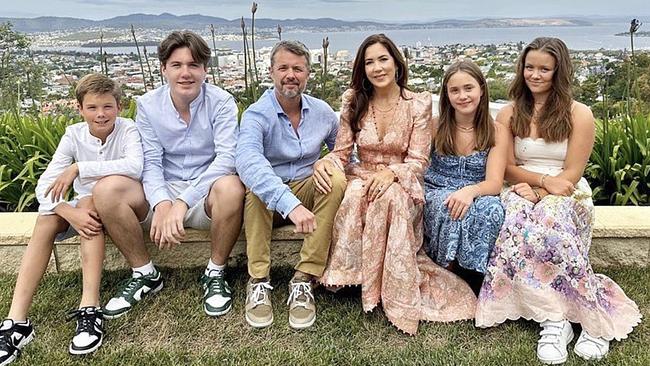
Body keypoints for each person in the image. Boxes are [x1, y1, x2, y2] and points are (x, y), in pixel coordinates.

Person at [475, 37, 642, 364]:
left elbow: (573, 171)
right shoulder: (509, 114)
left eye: (544, 69)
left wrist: (544, 190)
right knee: (515, 223)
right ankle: (555, 318)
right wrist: (536, 184)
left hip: (566, 188)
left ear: (558, 72)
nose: (535, 75)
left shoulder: (579, 114)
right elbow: (506, 167)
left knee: (551, 228)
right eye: (530, 67)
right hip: (523, 184)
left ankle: (592, 317)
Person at [317, 34, 476, 335]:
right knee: (354, 194)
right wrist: (325, 163)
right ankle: (352, 277)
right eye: (369, 62)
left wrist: (391, 174)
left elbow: (419, 160)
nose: (377, 68)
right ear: (362, 69)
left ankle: (385, 285)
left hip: (402, 180)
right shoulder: (354, 100)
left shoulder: (418, 103)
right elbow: (340, 153)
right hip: (361, 174)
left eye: (382, 59)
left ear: (396, 63)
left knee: (389, 196)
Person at [92, 31, 244, 320]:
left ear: (204, 70)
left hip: (205, 194)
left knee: (232, 186)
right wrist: (162, 203)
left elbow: (226, 158)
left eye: (193, 65)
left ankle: (215, 272)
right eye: (176, 65)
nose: (185, 73)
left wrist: (182, 202)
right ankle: (144, 273)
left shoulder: (222, 101)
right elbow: (149, 162)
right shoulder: (149, 105)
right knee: (106, 190)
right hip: (159, 190)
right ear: (163, 69)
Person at [0, 74, 142, 363]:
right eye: (92, 108)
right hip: (81, 206)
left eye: (107, 106)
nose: (100, 114)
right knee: (47, 220)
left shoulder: (128, 130)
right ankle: (16, 321)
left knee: (89, 203)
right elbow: (44, 185)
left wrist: (79, 168)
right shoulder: (73, 134)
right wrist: (65, 210)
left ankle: (90, 307)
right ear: (79, 108)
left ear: (120, 107)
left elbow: (134, 166)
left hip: (119, 200)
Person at [236, 40, 345, 330]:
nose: (290, 75)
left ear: (308, 73)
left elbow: (345, 152)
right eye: (283, 68)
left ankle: (304, 278)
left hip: (307, 190)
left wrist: (329, 159)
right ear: (271, 72)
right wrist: (289, 204)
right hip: (271, 200)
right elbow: (247, 160)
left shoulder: (323, 112)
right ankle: (258, 279)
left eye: (298, 68)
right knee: (257, 188)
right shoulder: (257, 114)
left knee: (335, 177)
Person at [423, 60, 507, 293]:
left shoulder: (496, 131)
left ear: (481, 89)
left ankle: (479, 274)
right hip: (437, 187)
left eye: (468, 88)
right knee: (450, 206)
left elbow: (494, 183)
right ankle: (447, 269)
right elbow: (418, 164)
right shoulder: (436, 126)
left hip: (478, 189)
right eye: (455, 90)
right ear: (447, 95)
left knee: (492, 209)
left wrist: (470, 191)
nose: (463, 96)